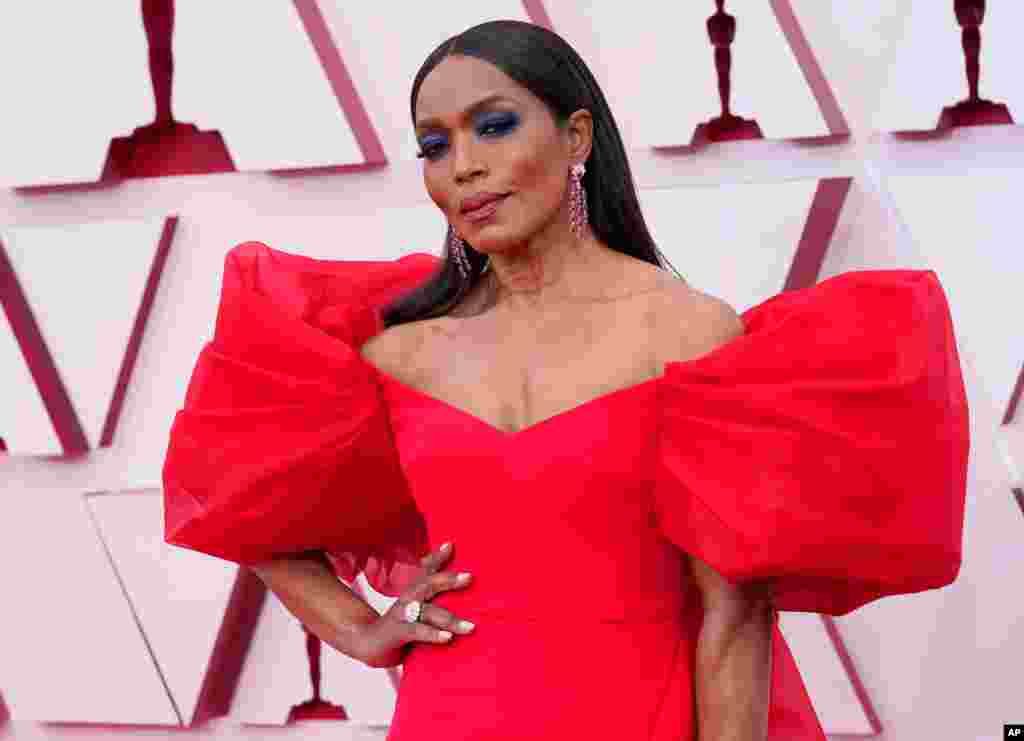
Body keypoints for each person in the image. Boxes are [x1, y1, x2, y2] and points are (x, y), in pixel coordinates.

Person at [161, 20, 970, 741]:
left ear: (576, 136)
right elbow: (241, 505)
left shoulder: (688, 333)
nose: (464, 167)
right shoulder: (399, 353)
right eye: (435, 146)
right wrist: (364, 631)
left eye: (494, 126)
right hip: (450, 715)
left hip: (642, 712)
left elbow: (736, 618)